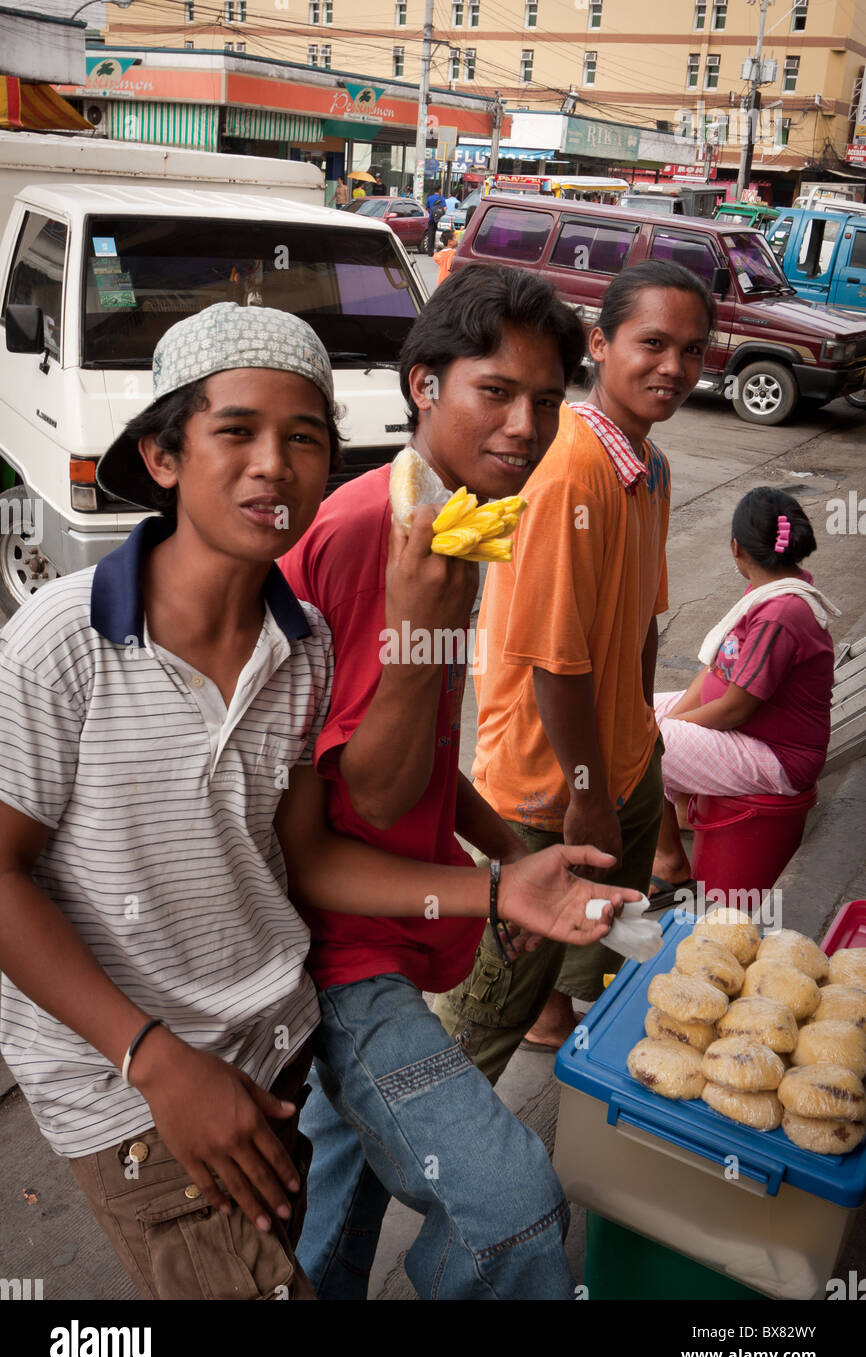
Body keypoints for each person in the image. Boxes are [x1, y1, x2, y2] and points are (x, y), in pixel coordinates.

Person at [0, 301, 637, 1303]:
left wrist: (502, 877)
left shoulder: (296, 648)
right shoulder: (63, 639)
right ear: (163, 456)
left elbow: (310, 847)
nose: (274, 465)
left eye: (305, 439)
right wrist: (152, 1059)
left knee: (318, 1234)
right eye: (235, 431)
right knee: (504, 1200)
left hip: (274, 1036)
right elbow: (5, 876)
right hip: (146, 1078)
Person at [279, 264, 639, 1300]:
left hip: (404, 910)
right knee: (509, 1203)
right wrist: (494, 881)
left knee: (338, 1182)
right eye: (496, 391)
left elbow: (426, 749)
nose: (525, 424)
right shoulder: (374, 535)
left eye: (544, 398)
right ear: (422, 385)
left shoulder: (456, 517)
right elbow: (374, 798)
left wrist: (508, 844)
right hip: (336, 944)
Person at [434, 260, 717, 1078]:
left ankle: (552, 1033)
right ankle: (441, 1136)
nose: (674, 367)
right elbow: (556, 663)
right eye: (653, 343)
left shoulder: (647, 466)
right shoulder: (571, 470)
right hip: (547, 791)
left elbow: (638, 629)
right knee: (489, 1005)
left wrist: (644, 754)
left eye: (693, 351)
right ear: (600, 344)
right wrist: (590, 796)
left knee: (583, 950)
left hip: (617, 774)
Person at [651, 487, 837, 899]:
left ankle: (669, 862)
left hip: (779, 758)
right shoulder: (771, 589)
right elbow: (718, 665)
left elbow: (735, 708)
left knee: (641, 743)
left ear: (737, 549)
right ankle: (684, 812)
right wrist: (670, 717)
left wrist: (667, 729)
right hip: (753, 734)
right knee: (642, 716)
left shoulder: (781, 613)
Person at [424, 185, 446, 253]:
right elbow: (444, 208)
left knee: (431, 235)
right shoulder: (441, 198)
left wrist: (432, 213)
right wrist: (441, 214)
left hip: (431, 218)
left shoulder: (429, 198)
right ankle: (440, 249)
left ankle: (430, 251)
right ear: (439, 190)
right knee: (441, 233)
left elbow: (427, 208)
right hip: (439, 219)